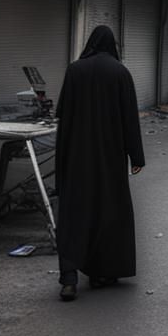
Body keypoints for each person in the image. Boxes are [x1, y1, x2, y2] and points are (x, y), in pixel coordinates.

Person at [54, 25, 145, 302]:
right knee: (108, 212)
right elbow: (130, 119)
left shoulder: (74, 70)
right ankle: (101, 273)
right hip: (109, 158)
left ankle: (69, 277)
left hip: (77, 156)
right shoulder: (120, 73)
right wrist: (136, 156)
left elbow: (63, 115)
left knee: (75, 214)